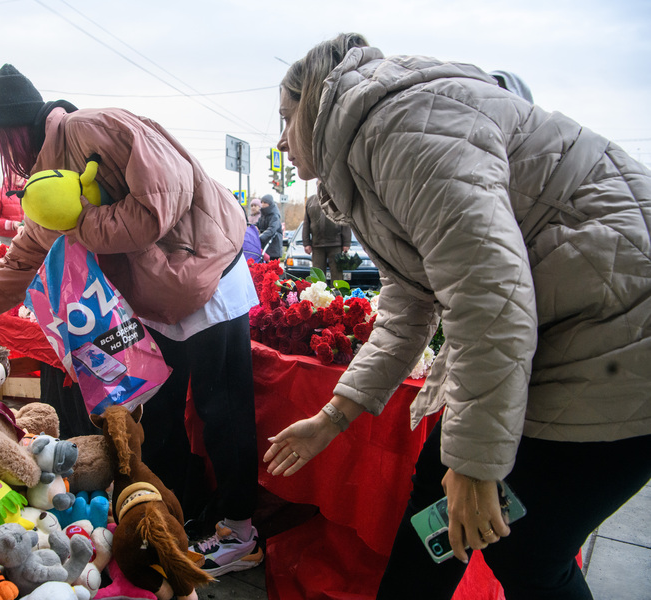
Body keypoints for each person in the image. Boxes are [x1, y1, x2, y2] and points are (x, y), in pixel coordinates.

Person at [264, 33, 651, 600]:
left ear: (315, 101)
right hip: (567, 328)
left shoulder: (398, 128)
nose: (279, 139)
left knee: (529, 548)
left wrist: (475, 465)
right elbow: (407, 309)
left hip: (621, 334)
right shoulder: (372, 152)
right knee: (436, 508)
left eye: (283, 117)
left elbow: (489, 293)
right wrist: (333, 418)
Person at [0, 63, 262, 576]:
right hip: (161, 300)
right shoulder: (44, 184)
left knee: (221, 409)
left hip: (205, 276)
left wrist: (83, 222)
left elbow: (165, 197)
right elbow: (21, 260)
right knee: (157, 418)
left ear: (12, 127)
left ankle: (241, 532)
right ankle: (169, 515)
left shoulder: (94, 128)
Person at [302, 193, 351, 281]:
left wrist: (346, 242)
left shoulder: (337, 198)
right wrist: (306, 243)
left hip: (336, 244)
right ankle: (318, 294)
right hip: (317, 245)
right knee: (317, 276)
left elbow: (345, 221)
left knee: (337, 274)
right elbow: (306, 223)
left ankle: (337, 294)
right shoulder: (311, 200)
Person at [256, 194, 282, 261]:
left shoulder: (274, 216)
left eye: (265, 202)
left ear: (270, 204)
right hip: (265, 247)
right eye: (261, 202)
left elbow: (272, 229)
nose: (262, 204)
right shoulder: (263, 215)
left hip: (273, 247)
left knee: (272, 268)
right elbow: (258, 224)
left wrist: (261, 237)